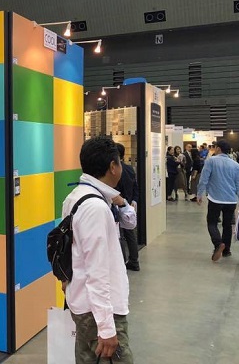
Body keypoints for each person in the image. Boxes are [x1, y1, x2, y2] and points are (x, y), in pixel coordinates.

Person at [63, 136, 135, 364]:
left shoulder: (75, 197)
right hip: (98, 312)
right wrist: (106, 327)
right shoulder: (95, 207)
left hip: (83, 304)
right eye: (120, 162)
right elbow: (97, 271)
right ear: (113, 166)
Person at [197, 139, 239, 261]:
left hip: (215, 199)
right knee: (227, 225)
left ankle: (218, 244)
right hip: (231, 200)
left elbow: (204, 179)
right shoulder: (235, 165)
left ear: (218, 148)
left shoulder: (211, 161)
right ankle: (226, 250)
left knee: (212, 223)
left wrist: (199, 194)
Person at [114, 143, 140, 271]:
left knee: (119, 235)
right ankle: (134, 261)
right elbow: (135, 187)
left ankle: (122, 263)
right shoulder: (129, 169)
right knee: (130, 234)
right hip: (128, 204)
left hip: (118, 205)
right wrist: (134, 200)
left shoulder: (114, 171)